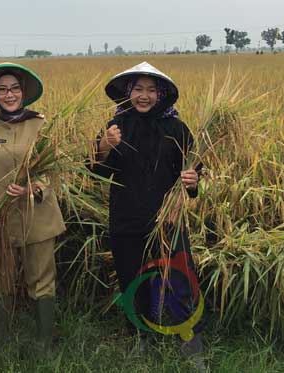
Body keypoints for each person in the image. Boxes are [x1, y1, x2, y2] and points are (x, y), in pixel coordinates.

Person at [88, 62, 204, 367]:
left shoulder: (177, 128)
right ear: (128, 93)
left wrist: (192, 183)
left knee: (180, 278)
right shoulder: (116, 126)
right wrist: (103, 146)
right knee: (132, 279)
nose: (144, 96)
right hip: (126, 217)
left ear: (161, 94)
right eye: (138, 89)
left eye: (151, 90)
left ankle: (190, 340)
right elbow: (96, 170)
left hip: (168, 218)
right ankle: (140, 337)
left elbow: (193, 171)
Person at [0, 62, 66, 346]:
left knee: (42, 280)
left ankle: (45, 342)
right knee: (0, 280)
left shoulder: (41, 125)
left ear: (23, 92)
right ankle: (2, 340)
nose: (9, 95)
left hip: (39, 217)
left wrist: (33, 188)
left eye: (14, 89)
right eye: (2, 90)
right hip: (0, 220)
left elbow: (53, 170)